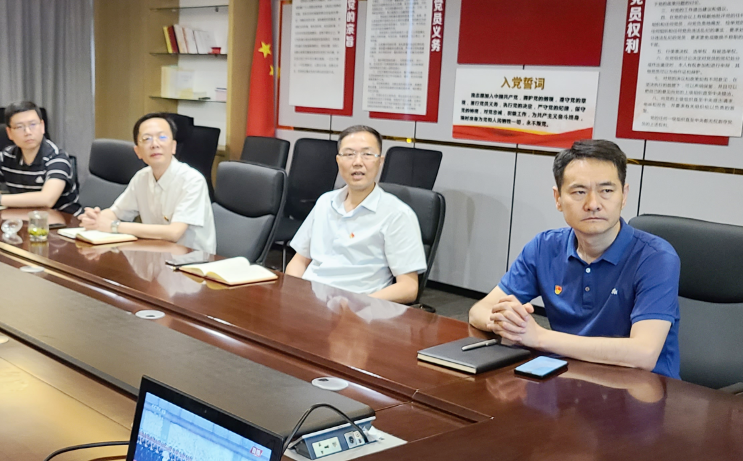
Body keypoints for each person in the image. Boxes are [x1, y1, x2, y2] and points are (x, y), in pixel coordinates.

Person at [468, 139, 680, 378]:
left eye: (606, 191)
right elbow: (479, 311)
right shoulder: (544, 247)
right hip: (565, 379)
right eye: (579, 192)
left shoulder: (656, 258)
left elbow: (643, 353)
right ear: (558, 198)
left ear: (624, 195)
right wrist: (507, 322)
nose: (593, 204)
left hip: (642, 388)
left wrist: (539, 337)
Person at [285, 125, 426, 304]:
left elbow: (408, 287)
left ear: (380, 161)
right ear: (338, 160)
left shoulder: (397, 214)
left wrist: (357, 304)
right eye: (349, 154)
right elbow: (299, 261)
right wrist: (294, 293)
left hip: (360, 308)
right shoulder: (325, 202)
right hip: (311, 302)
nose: (357, 162)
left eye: (367, 154)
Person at [80, 113, 216, 253]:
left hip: (191, 261)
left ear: (173, 146)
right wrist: (95, 219)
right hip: (155, 255)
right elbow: (116, 212)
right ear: (138, 151)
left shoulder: (192, 181)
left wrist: (113, 226)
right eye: (147, 139)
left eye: (162, 137)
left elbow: (174, 233)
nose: (155, 144)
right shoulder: (141, 178)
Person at [0, 101, 81, 215]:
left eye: (33, 124)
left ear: (42, 126)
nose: (28, 132)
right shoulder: (7, 156)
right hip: (26, 221)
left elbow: (47, 199)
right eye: (19, 127)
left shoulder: (57, 157)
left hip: (65, 224)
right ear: (9, 133)